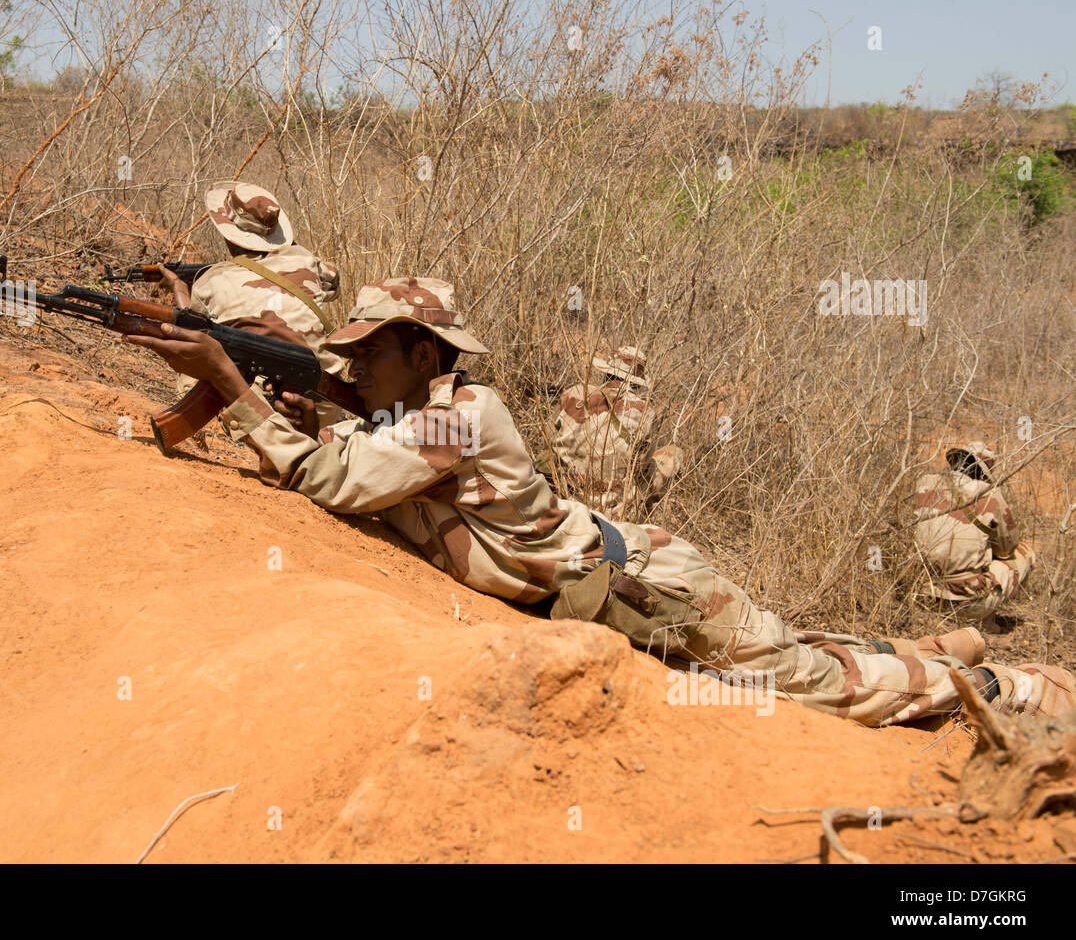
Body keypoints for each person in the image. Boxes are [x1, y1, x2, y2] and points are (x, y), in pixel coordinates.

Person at [123, 278, 1076, 726]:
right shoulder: (414, 419)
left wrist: (231, 385)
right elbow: (360, 463)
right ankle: (942, 648)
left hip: (654, 587)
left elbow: (338, 483)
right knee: (787, 650)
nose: (351, 364)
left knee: (801, 688)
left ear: (425, 354)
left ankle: (997, 686)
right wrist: (303, 410)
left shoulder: (465, 416)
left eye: (371, 350)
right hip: (626, 573)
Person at [157, 181, 343, 414]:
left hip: (263, 409)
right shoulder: (307, 260)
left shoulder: (213, 281)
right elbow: (333, 282)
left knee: (201, 355)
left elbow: (191, 331)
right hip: (326, 402)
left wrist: (178, 287)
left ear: (229, 233)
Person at [912, 441, 1033, 633]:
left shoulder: (924, 482)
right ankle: (984, 619)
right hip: (966, 603)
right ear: (983, 471)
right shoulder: (989, 495)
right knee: (1024, 554)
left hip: (921, 595)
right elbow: (1007, 549)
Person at [551, 345, 683, 519]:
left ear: (607, 373)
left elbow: (551, 439)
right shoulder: (645, 412)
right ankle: (638, 516)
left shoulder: (575, 392)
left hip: (565, 496)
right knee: (675, 455)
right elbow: (641, 465)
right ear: (637, 381)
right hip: (611, 510)